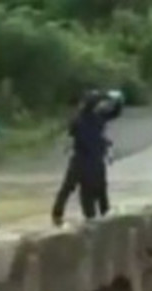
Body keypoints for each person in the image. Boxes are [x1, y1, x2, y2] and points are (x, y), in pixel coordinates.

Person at [51, 89, 124, 226]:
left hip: (82, 159)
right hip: (91, 160)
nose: (103, 105)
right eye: (100, 103)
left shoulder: (81, 119)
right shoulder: (96, 118)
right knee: (96, 189)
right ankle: (101, 214)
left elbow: (70, 136)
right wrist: (118, 101)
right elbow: (114, 114)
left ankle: (57, 214)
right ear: (95, 105)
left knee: (70, 189)